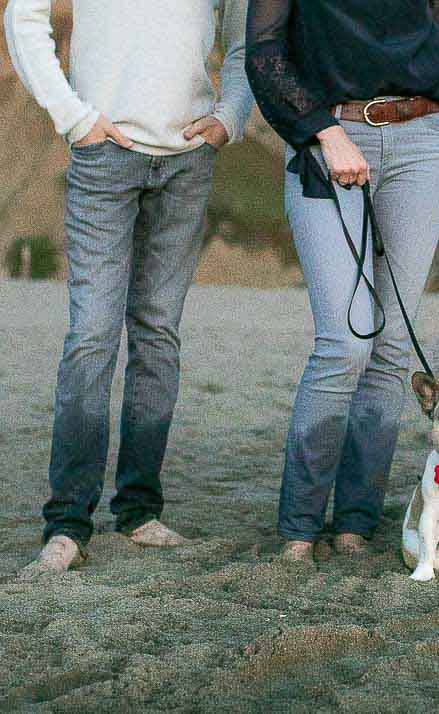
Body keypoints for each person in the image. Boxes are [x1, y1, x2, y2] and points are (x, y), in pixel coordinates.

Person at [5, 0, 255, 578]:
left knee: (157, 334)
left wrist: (230, 117)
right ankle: (67, 523)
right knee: (91, 336)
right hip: (103, 156)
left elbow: (246, 41)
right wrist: (72, 116)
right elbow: (24, 16)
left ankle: (140, 509)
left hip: (189, 159)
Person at [245, 0, 439, 563]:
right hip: (333, 138)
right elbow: (264, 53)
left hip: (424, 144)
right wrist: (323, 130)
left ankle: (355, 523)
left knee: (392, 345)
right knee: (343, 343)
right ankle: (300, 528)